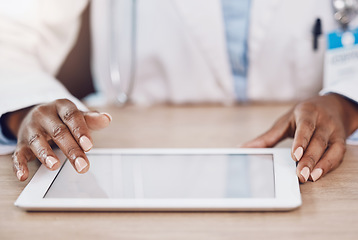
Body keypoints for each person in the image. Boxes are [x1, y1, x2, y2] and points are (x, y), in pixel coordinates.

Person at [0, 0, 357, 183]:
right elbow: (10, 33)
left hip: (303, 168)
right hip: (132, 158)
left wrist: (346, 102)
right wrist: (26, 105)